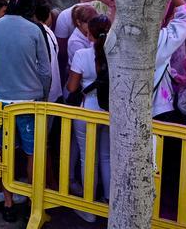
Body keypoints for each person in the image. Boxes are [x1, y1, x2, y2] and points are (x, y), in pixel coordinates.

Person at [0, 0, 51, 222]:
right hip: (30, 102)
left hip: (2, 101)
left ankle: (7, 202)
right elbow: (45, 71)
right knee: (33, 153)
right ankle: (35, 205)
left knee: (5, 154)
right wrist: (43, 96)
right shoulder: (35, 30)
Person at [66, 15, 112, 223]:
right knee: (106, 157)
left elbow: (72, 87)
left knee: (87, 158)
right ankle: (109, 202)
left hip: (87, 110)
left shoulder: (82, 54)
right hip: (110, 112)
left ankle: (88, 207)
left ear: (89, 33)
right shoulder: (116, 54)